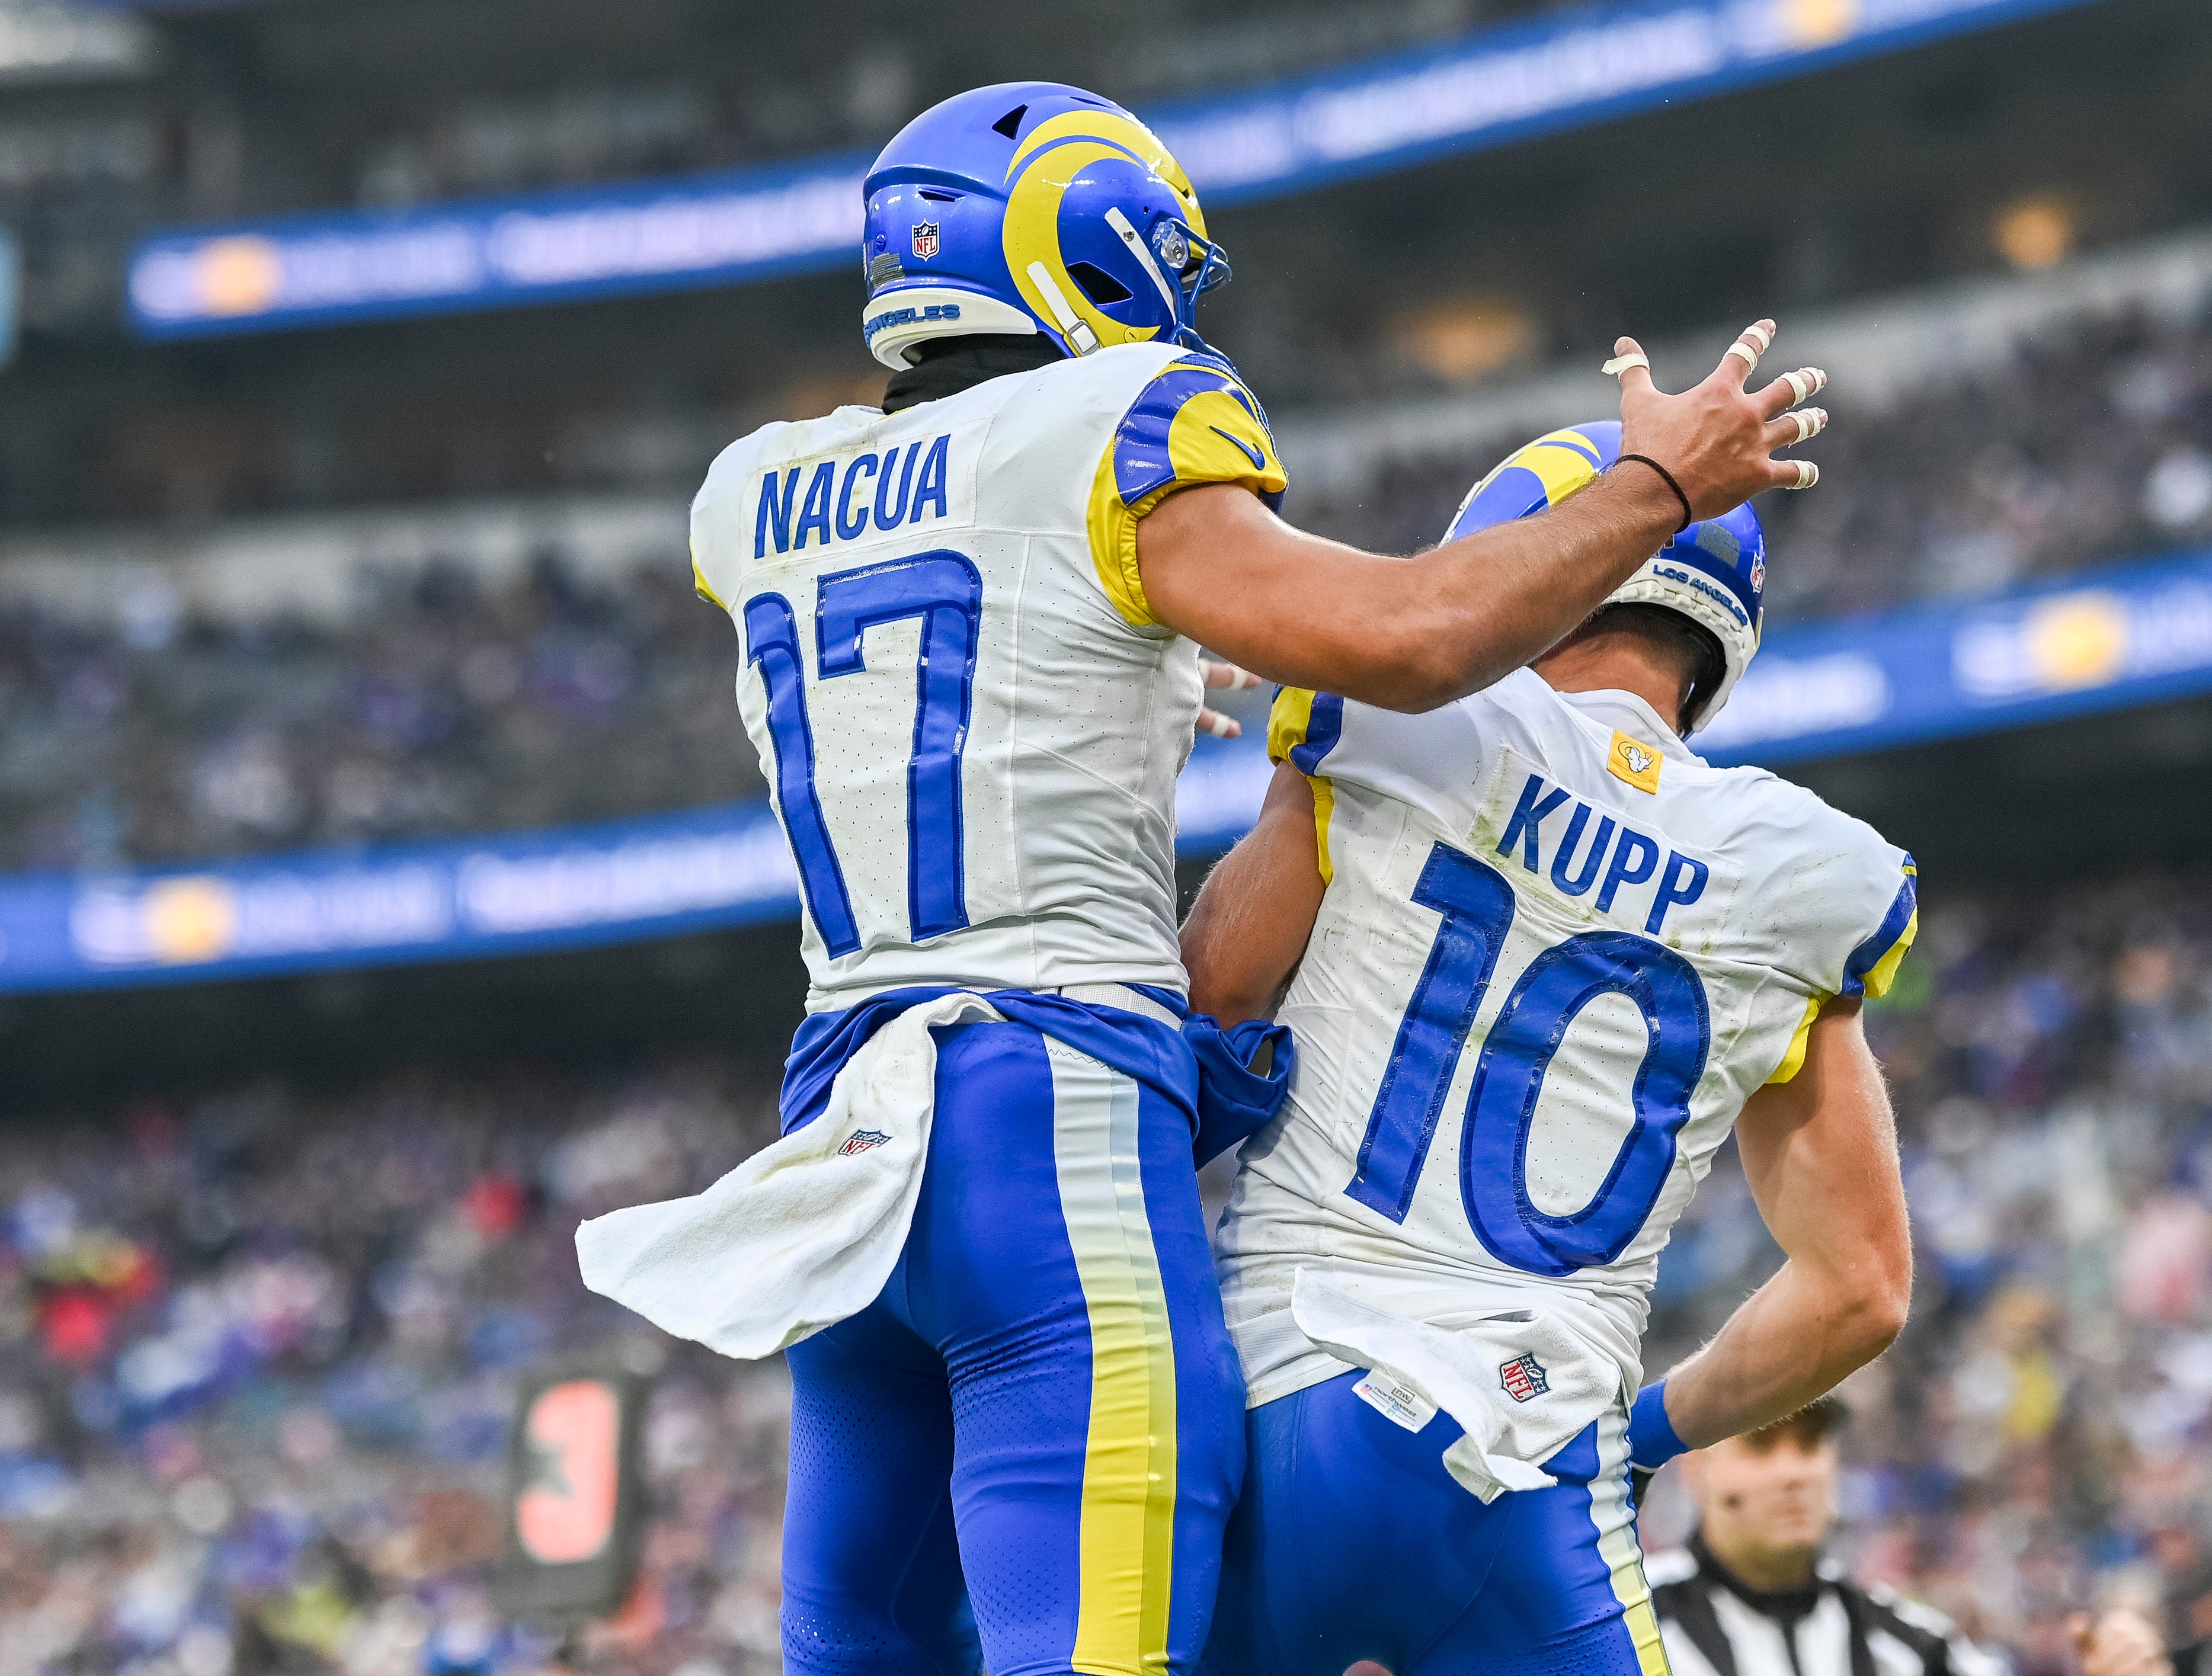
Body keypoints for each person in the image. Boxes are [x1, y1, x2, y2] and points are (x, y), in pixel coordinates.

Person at [579, 84, 1833, 1676]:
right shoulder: (1124, 421)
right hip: (1050, 1130)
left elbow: (970, 644)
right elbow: (1415, 638)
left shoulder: (755, 492)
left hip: (846, 1134)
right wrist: (1657, 486)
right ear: (1084, 243)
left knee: (861, 1643)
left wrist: (1131, 670)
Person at [1182, 420, 1911, 1676]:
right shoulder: (1803, 872)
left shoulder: (1392, 723)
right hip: (1533, 1463)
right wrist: (1642, 1437)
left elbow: (1209, 1006)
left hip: (1284, 1393)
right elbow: (1862, 1289)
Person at [1652, 1399, 2172, 1676]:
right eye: (1761, 1444)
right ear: (1696, 1468)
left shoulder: (1912, 1643)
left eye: (1809, 1443)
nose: (1795, 1472)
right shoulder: (1630, 1620)